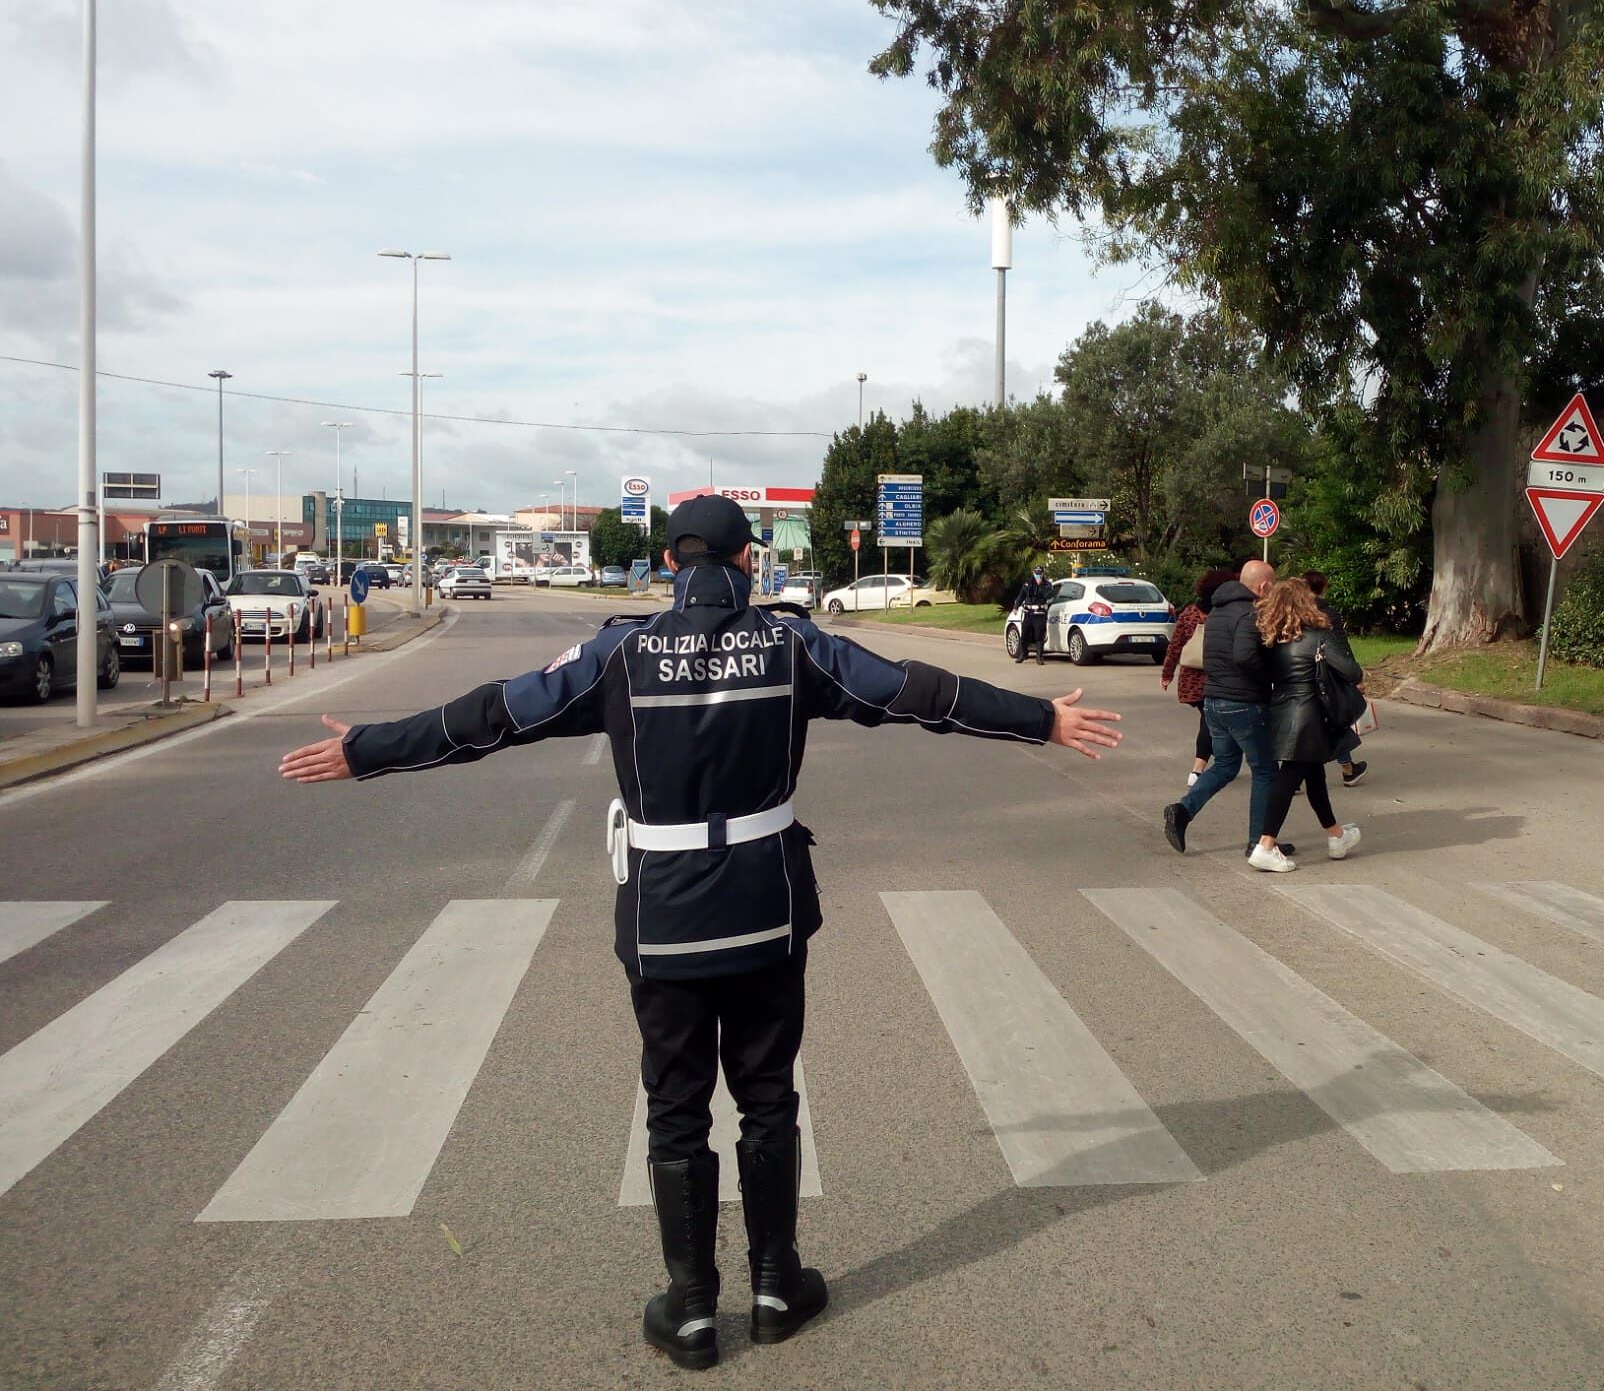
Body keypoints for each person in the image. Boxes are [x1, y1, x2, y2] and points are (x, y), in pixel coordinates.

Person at [276, 495, 1122, 1371]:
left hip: (666, 916)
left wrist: (370, 748)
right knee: (767, 1098)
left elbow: (494, 716)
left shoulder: (622, 651)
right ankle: (774, 1284)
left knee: (676, 1110)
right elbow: (916, 691)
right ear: (746, 560)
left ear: (673, 563)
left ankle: (688, 1310)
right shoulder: (795, 646)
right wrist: (1041, 720)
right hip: (766, 909)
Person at [1162, 559, 1292, 860]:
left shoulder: (1217, 611)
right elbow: (1246, 657)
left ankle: (1182, 811)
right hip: (1244, 702)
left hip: (1214, 700)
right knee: (1265, 771)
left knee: (1225, 765)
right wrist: (1271, 677)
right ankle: (1259, 843)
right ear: (1264, 586)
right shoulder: (1250, 612)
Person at [1243, 578, 1364, 873]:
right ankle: (1266, 845)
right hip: (1311, 713)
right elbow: (1351, 671)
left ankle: (1336, 836)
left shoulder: (1271, 638)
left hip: (1283, 710)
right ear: (1304, 603)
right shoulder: (1319, 635)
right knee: (1290, 776)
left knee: (1314, 774)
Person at [1160, 567, 1235, 787]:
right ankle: (1198, 769)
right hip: (1219, 677)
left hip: (1191, 680)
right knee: (1211, 722)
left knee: (1212, 720)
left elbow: (1175, 646)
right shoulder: (1228, 613)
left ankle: (1219, 763)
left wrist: (1167, 674)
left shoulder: (1190, 612)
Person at [1301, 570, 1367, 787]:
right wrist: (1354, 675)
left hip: (1299, 674)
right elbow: (1340, 646)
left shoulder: (1292, 612)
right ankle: (1347, 768)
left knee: (1306, 724)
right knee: (1333, 720)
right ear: (1323, 587)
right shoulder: (1328, 613)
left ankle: (1293, 778)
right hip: (1326, 675)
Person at [1012, 565, 1054, 665]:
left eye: (1040, 574)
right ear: (1033, 573)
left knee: (1039, 635)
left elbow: (1049, 596)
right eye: (1036, 574)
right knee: (1024, 633)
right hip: (1028, 612)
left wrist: (1041, 586)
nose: (1038, 575)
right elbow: (1021, 595)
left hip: (1039, 613)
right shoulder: (1028, 583)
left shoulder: (1047, 584)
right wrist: (1016, 607)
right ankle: (1023, 654)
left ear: (1043, 574)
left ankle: (1039, 657)